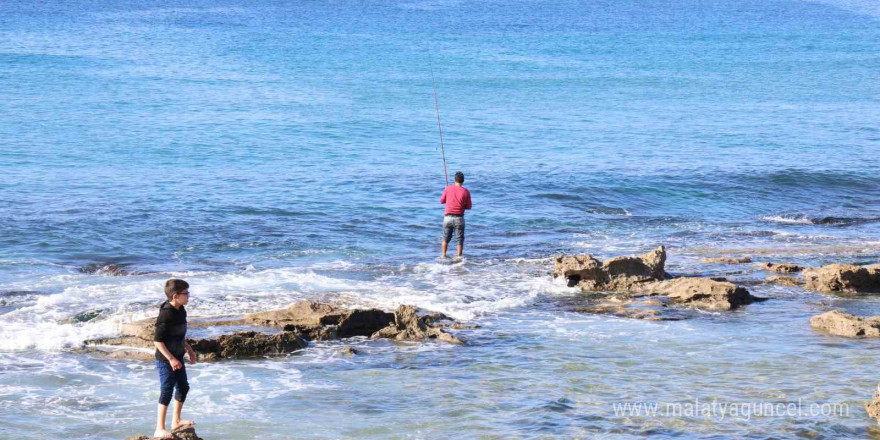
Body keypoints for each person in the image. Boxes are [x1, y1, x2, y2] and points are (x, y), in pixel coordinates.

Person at [152, 279, 197, 439]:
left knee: (183, 387)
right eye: (186, 293)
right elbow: (158, 341)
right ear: (176, 296)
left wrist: (190, 350)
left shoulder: (181, 310)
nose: (189, 296)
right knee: (167, 390)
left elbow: (180, 335)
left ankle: (176, 420)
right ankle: (159, 428)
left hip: (177, 355)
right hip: (165, 359)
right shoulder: (166, 313)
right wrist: (171, 359)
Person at [440, 171, 472, 258]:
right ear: (463, 181)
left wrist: (446, 190)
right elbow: (469, 207)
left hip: (447, 218)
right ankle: (459, 257)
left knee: (445, 237)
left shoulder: (448, 189)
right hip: (459, 218)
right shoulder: (466, 192)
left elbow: (442, 201)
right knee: (459, 239)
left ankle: (443, 255)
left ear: (455, 180)